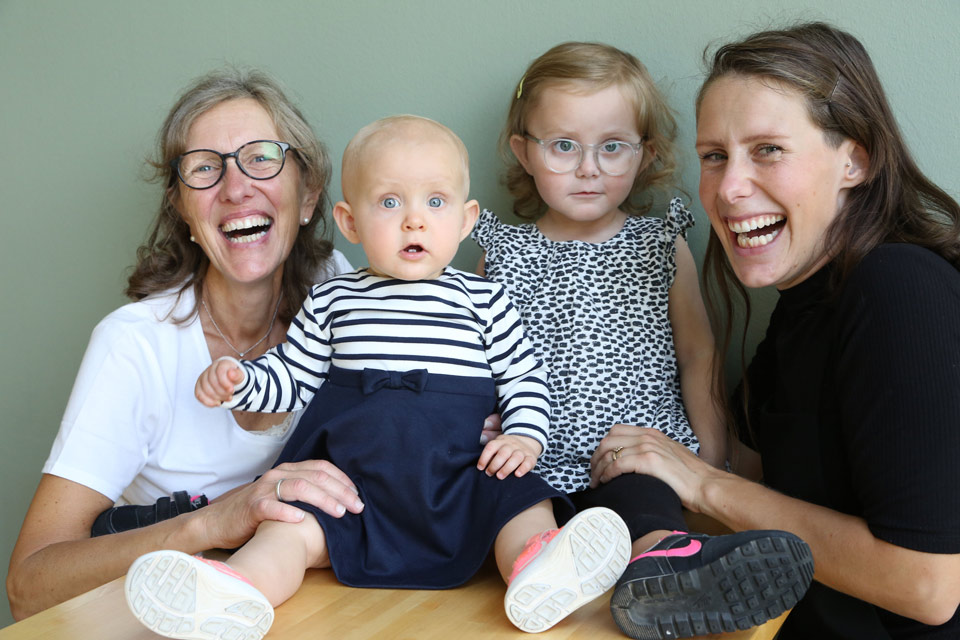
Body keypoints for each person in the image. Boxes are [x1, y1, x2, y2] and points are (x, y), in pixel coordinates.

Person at [125, 115, 633, 640]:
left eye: (434, 203)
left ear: (465, 220)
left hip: (461, 476)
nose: (414, 221)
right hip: (352, 489)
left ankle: (538, 570)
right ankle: (234, 591)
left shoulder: (484, 299)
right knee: (290, 525)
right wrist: (240, 380)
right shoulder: (334, 299)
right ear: (349, 222)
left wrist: (525, 434)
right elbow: (292, 376)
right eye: (390, 203)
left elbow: (524, 377)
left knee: (523, 499)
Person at [590, 22, 960, 638]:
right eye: (715, 156)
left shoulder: (900, 289)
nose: (729, 188)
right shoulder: (801, 305)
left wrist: (703, 481)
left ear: (854, 160)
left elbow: (927, 586)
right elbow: (759, 477)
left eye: (768, 149)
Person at [473, 42, 813, 639]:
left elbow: (698, 352)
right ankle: (537, 571)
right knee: (509, 501)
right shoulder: (500, 251)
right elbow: (468, 358)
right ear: (523, 152)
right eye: (562, 146)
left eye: (612, 147)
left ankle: (662, 568)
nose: (589, 167)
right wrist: (475, 421)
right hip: (529, 448)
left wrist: (709, 457)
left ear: (645, 153)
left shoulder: (660, 244)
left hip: (629, 449)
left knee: (646, 501)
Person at [5, 68, 369, 621]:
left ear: (309, 195)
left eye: (262, 157)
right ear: (183, 209)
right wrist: (210, 522)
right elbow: (28, 585)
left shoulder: (340, 290)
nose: (236, 186)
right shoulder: (134, 346)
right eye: (205, 168)